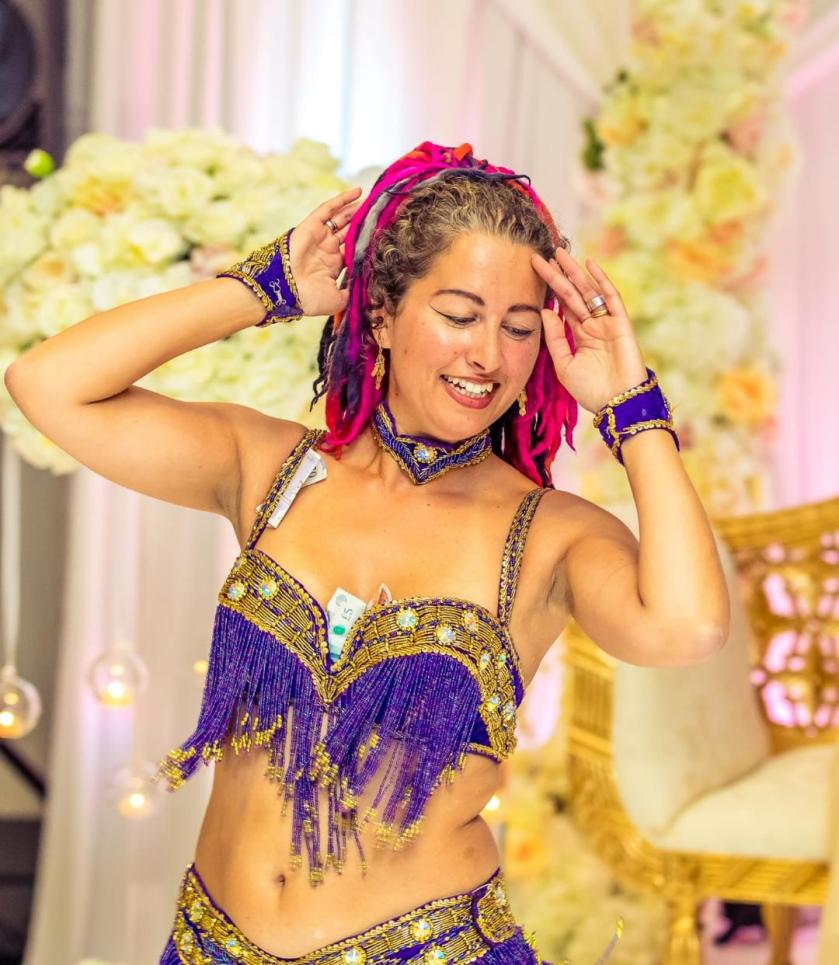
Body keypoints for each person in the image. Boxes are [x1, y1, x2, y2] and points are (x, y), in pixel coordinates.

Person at [5, 141, 730, 964]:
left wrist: (630, 405)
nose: (488, 355)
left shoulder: (548, 533)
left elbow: (687, 627)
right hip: (210, 945)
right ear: (381, 317)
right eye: (459, 315)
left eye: (518, 328)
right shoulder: (269, 467)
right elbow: (47, 385)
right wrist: (264, 289)